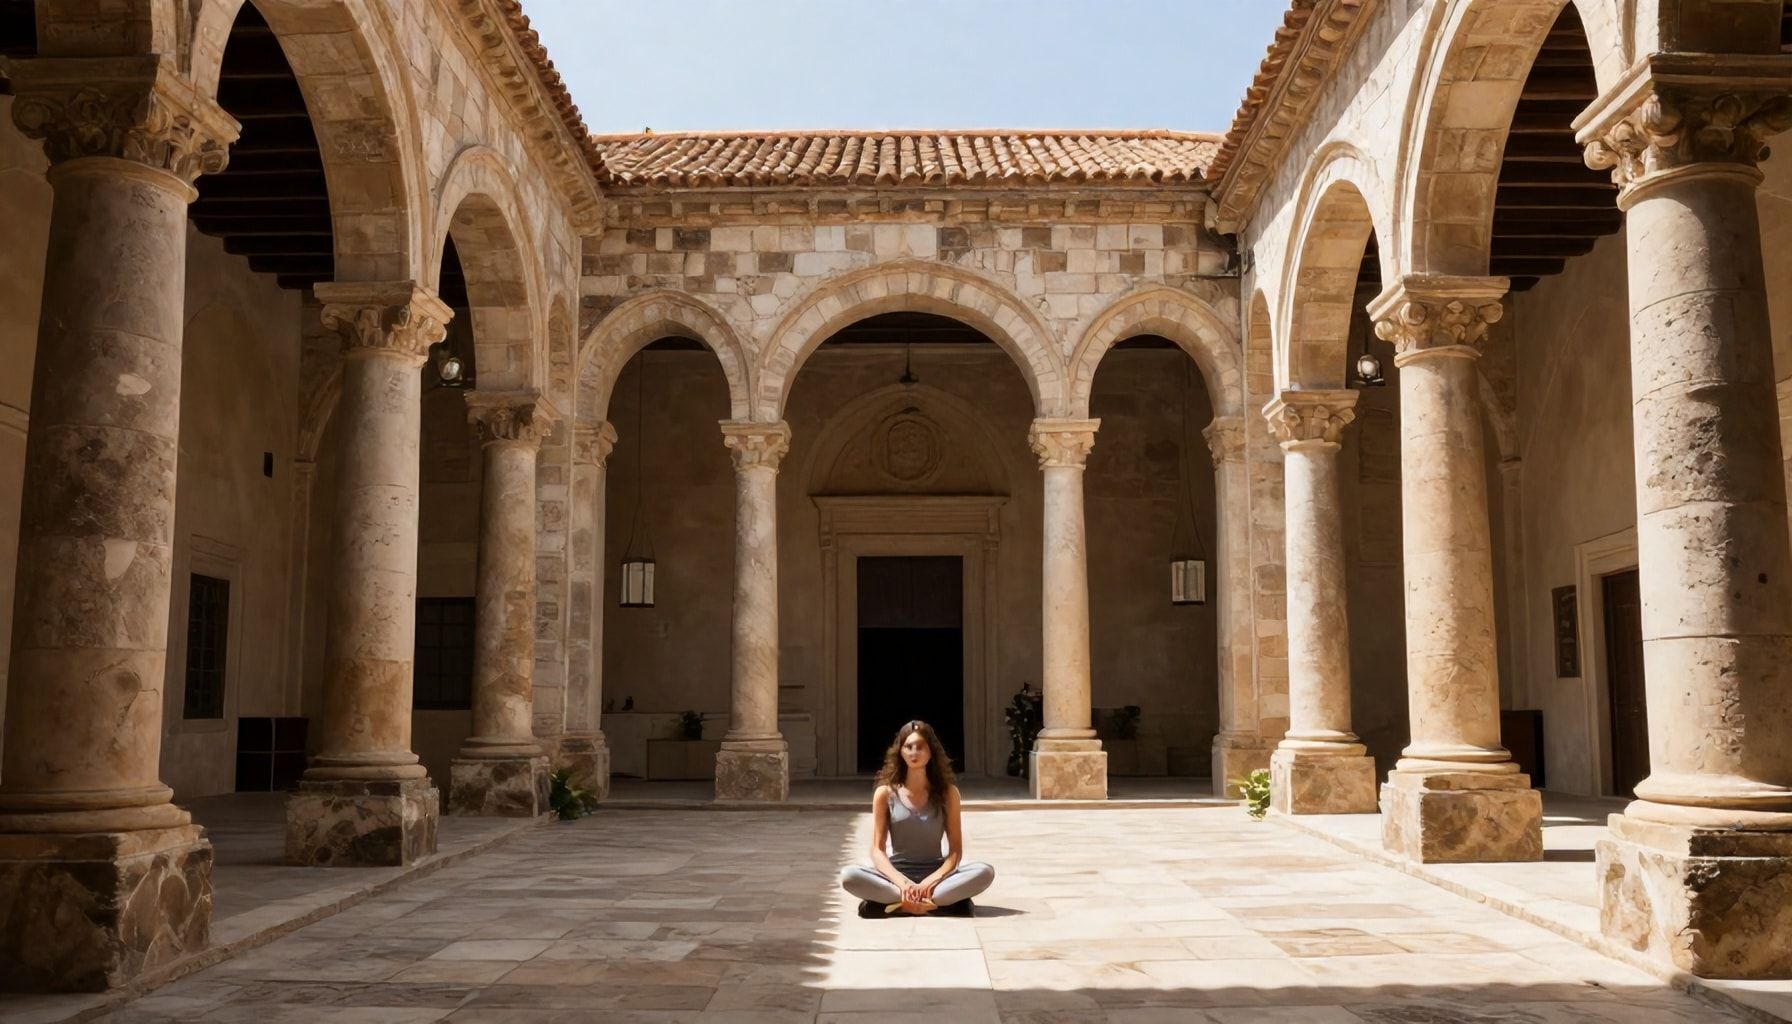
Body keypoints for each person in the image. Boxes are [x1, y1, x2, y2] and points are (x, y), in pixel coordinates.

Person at [838, 720, 995, 918]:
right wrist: (903, 883)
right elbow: (878, 849)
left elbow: (955, 852)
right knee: (849, 876)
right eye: (908, 746)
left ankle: (896, 906)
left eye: (920, 747)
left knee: (984, 872)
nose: (914, 752)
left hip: (936, 878)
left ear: (931, 752)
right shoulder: (885, 793)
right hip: (896, 876)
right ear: (900, 752)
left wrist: (930, 882)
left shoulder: (948, 793)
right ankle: (938, 905)